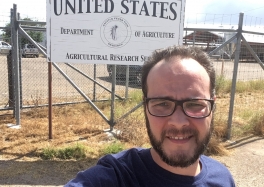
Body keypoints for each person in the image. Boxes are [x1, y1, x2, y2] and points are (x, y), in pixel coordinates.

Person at [65, 45, 235, 187]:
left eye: (195, 104)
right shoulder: (118, 177)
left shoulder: (223, 179)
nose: (178, 122)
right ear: (145, 106)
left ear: (212, 107)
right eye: (162, 104)